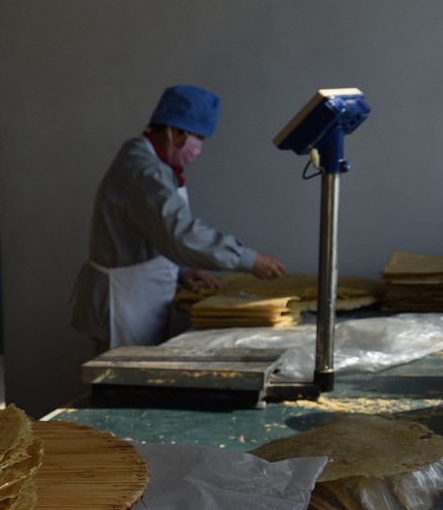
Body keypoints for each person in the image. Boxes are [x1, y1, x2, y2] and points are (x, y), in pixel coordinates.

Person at [69, 84, 287, 352]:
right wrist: (248, 259)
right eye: (199, 139)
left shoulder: (156, 165)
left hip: (143, 296)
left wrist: (183, 271)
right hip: (123, 302)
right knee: (124, 386)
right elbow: (180, 234)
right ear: (174, 131)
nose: (197, 148)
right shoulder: (143, 171)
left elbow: (152, 230)